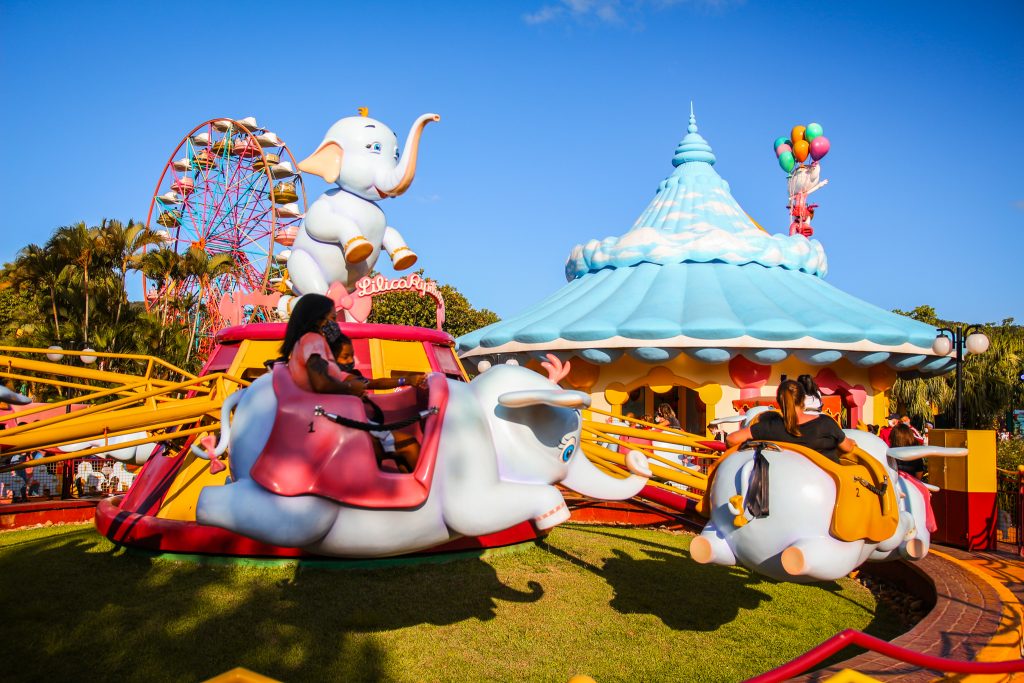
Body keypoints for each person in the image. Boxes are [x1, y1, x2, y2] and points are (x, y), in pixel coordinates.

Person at [727, 380, 856, 463]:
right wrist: (851, 441)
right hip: (827, 486)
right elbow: (847, 447)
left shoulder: (769, 427)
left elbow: (732, 439)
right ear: (803, 400)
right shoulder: (826, 423)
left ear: (779, 402)